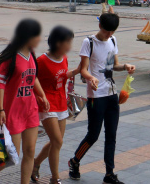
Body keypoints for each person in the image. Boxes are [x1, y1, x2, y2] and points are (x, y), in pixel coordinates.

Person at [68, 13, 135, 184]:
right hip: (96, 96)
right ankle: (74, 161)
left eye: (112, 32)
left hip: (111, 94)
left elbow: (113, 65)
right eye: (107, 31)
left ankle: (109, 174)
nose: (109, 35)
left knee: (111, 135)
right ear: (100, 27)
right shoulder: (89, 42)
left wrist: (125, 66)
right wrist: (91, 78)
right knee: (93, 135)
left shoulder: (112, 40)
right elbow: (83, 69)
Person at [0, 19, 50, 184]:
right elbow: (0, 85)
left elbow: (33, 77)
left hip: (30, 110)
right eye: (37, 36)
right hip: (13, 111)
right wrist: (1, 110)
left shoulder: (31, 54)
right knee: (12, 155)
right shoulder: (11, 57)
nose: (39, 39)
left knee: (30, 151)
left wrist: (42, 95)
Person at [31, 26, 82, 184]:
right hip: (47, 105)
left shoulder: (64, 58)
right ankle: (55, 178)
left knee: (56, 142)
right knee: (57, 142)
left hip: (61, 103)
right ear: (58, 43)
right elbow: (32, 79)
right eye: (68, 42)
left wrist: (77, 71)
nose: (70, 46)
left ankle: (35, 163)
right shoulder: (42, 61)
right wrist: (39, 96)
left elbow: (63, 76)